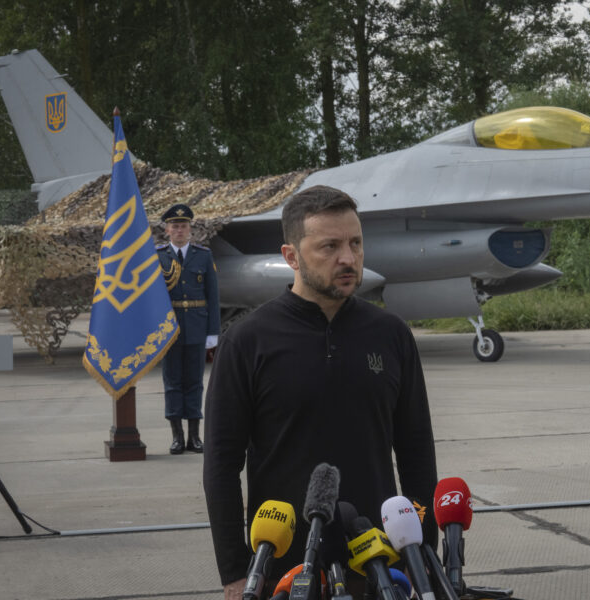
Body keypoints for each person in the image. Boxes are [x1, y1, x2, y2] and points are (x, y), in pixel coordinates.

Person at [203, 186, 438, 599]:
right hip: (283, 570)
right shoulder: (247, 341)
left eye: (355, 243)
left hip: (380, 565)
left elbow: (417, 452)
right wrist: (236, 573)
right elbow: (221, 466)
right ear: (291, 255)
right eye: (329, 246)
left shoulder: (391, 335)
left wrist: (424, 556)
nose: (348, 258)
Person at [157, 203, 220, 455]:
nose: (179, 230)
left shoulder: (203, 255)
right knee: (172, 381)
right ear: (167, 230)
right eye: (175, 226)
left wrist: (212, 331)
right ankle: (176, 436)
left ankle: (194, 437)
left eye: (183, 226)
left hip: (196, 325)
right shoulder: (158, 256)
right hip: (169, 328)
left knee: (194, 382)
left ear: (190, 229)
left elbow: (213, 295)